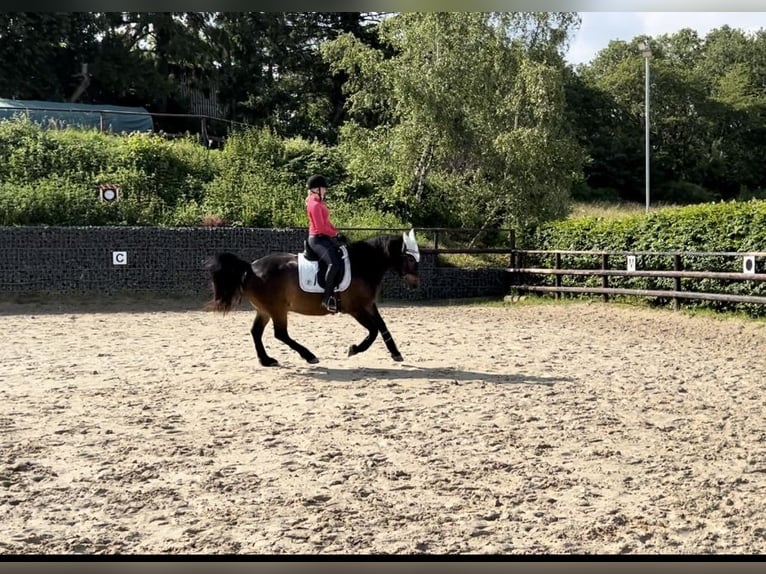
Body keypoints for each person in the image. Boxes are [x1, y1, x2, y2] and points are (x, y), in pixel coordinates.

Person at [305, 174, 345, 313]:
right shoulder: (314, 204)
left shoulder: (320, 203)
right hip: (317, 239)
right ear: (317, 189)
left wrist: (337, 232)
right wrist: (335, 234)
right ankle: (326, 298)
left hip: (324, 238)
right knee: (333, 264)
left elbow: (327, 223)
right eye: (324, 188)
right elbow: (321, 227)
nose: (326, 191)